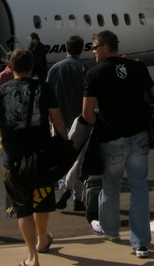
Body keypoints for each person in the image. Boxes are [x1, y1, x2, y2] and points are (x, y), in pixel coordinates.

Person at [0, 48, 69, 266]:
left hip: (13, 159)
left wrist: (6, 128)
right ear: (32, 66)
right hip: (41, 156)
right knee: (41, 201)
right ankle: (42, 239)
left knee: (22, 208)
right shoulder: (44, 88)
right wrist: (66, 144)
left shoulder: (1, 91)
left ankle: (32, 256)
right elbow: (58, 121)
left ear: (11, 67)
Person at [82, 30, 154, 260]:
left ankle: (112, 230)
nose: (93, 51)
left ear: (105, 48)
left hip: (111, 139)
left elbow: (87, 114)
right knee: (139, 188)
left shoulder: (94, 73)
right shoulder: (138, 67)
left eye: (94, 47)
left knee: (111, 188)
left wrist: (102, 121)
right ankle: (141, 244)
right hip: (138, 137)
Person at [46, 35, 89, 211]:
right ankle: (76, 195)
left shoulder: (55, 69)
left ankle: (66, 188)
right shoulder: (85, 69)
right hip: (80, 121)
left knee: (63, 158)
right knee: (78, 158)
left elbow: (48, 96)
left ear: (66, 49)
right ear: (81, 50)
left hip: (60, 121)